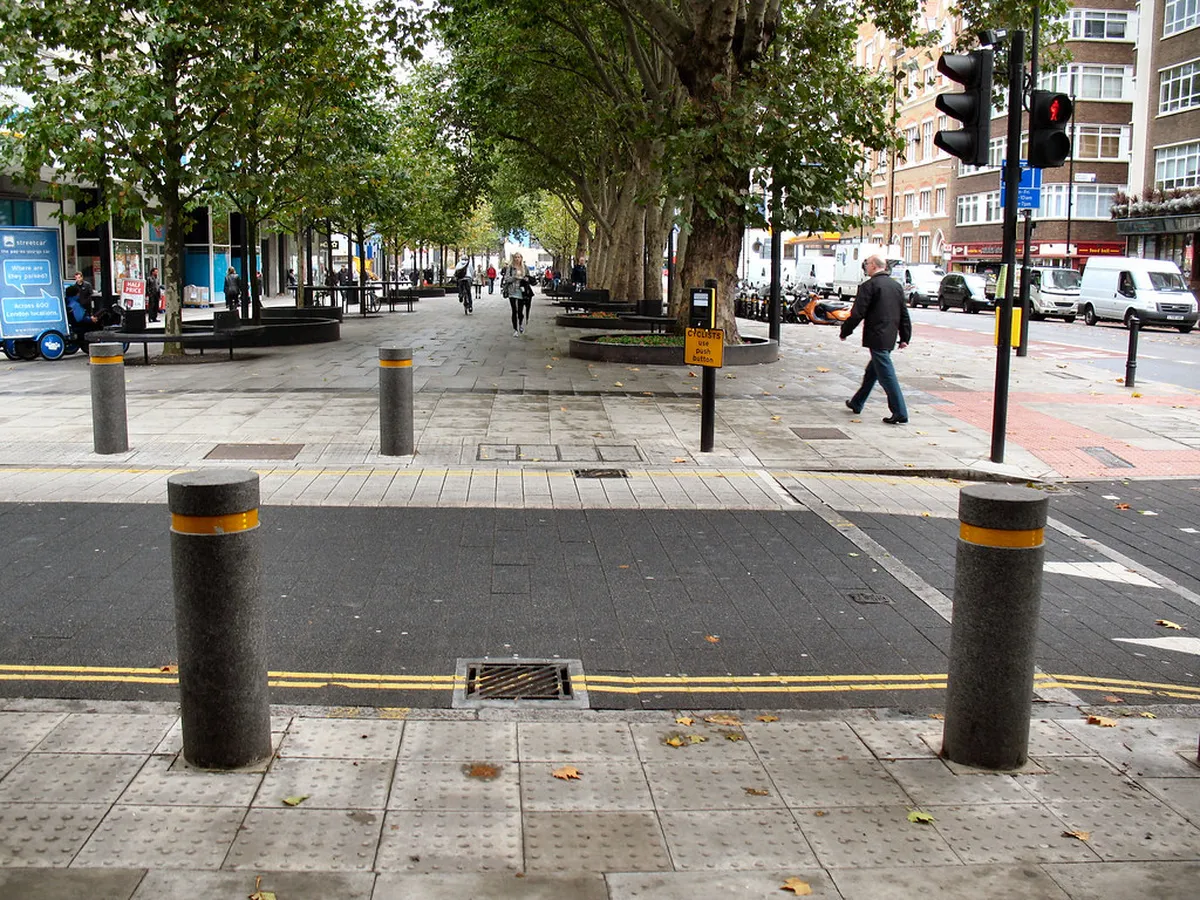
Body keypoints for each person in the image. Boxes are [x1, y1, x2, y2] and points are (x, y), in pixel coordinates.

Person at [840, 255, 911, 425]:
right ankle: (857, 402)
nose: (866, 267)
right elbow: (903, 313)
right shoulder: (896, 286)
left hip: (876, 335)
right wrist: (905, 336)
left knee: (887, 375)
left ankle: (900, 411)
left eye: (867, 264)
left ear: (873, 266)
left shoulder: (869, 286)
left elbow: (858, 313)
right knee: (872, 371)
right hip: (889, 335)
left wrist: (845, 330)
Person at [501, 252, 532, 335]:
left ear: (521, 258)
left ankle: (520, 324)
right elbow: (506, 279)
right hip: (512, 290)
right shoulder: (510, 268)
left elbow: (529, 278)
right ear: (513, 258)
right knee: (514, 310)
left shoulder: (525, 267)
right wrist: (514, 278)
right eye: (515, 257)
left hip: (522, 291)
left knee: (520, 310)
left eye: (519, 257)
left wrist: (526, 279)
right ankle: (515, 329)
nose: (517, 259)